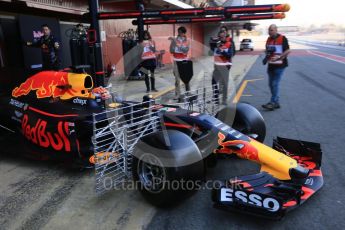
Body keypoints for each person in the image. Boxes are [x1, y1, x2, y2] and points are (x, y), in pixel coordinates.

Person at [262, 24, 290, 110]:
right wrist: (266, 58)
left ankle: (273, 102)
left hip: (280, 65)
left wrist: (280, 57)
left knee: (274, 84)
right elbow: (268, 51)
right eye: (269, 30)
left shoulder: (282, 38)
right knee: (271, 84)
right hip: (271, 65)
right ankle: (276, 102)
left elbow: (288, 50)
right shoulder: (268, 39)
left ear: (276, 30)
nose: (269, 32)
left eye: (271, 30)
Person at [211, 30, 233, 105]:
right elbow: (210, 52)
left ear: (225, 36)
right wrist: (212, 43)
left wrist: (221, 50)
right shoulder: (216, 44)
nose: (221, 38)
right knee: (214, 83)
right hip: (217, 66)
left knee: (224, 83)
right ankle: (216, 99)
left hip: (225, 66)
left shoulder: (229, 44)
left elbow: (230, 55)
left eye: (222, 37)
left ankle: (224, 100)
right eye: (220, 37)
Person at [169, 26, 191, 100]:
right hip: (176, 61)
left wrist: (178, 48)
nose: (179, 33)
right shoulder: (174, 40)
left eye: (181, 32)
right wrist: (177, 49)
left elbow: (186, 51)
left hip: (184, 61)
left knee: (186, 78)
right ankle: (177, 94)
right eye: (178, 32)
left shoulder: (187, 41)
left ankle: (188, 92)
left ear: (184, 33)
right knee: (177, 79)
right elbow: (171, 50)